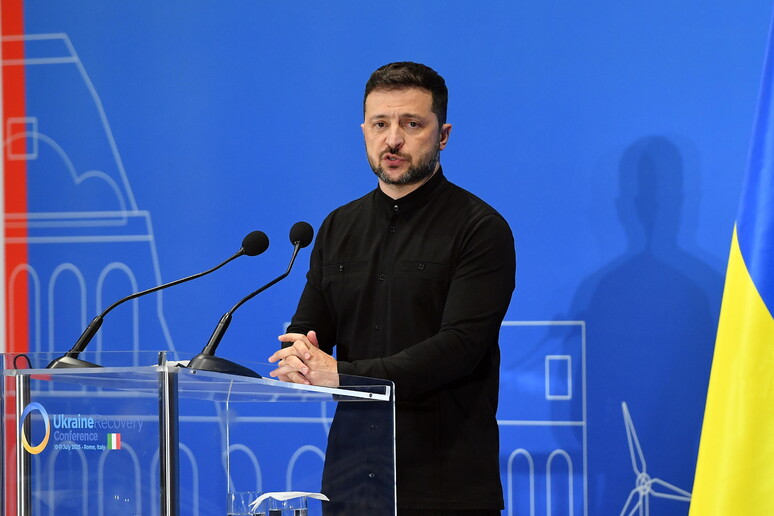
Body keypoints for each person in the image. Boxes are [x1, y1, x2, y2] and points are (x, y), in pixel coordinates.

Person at [268, 61, 516, 516]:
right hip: (350, 483)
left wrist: (344, 375)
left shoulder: (479, 229)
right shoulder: (338, 226)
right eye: (380, 124)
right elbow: (307, 329)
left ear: (443, 135)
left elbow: (460, 347)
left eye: (412, 124)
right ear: (364, 131)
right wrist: (298, 355)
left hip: (444, 485)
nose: (393, 139)